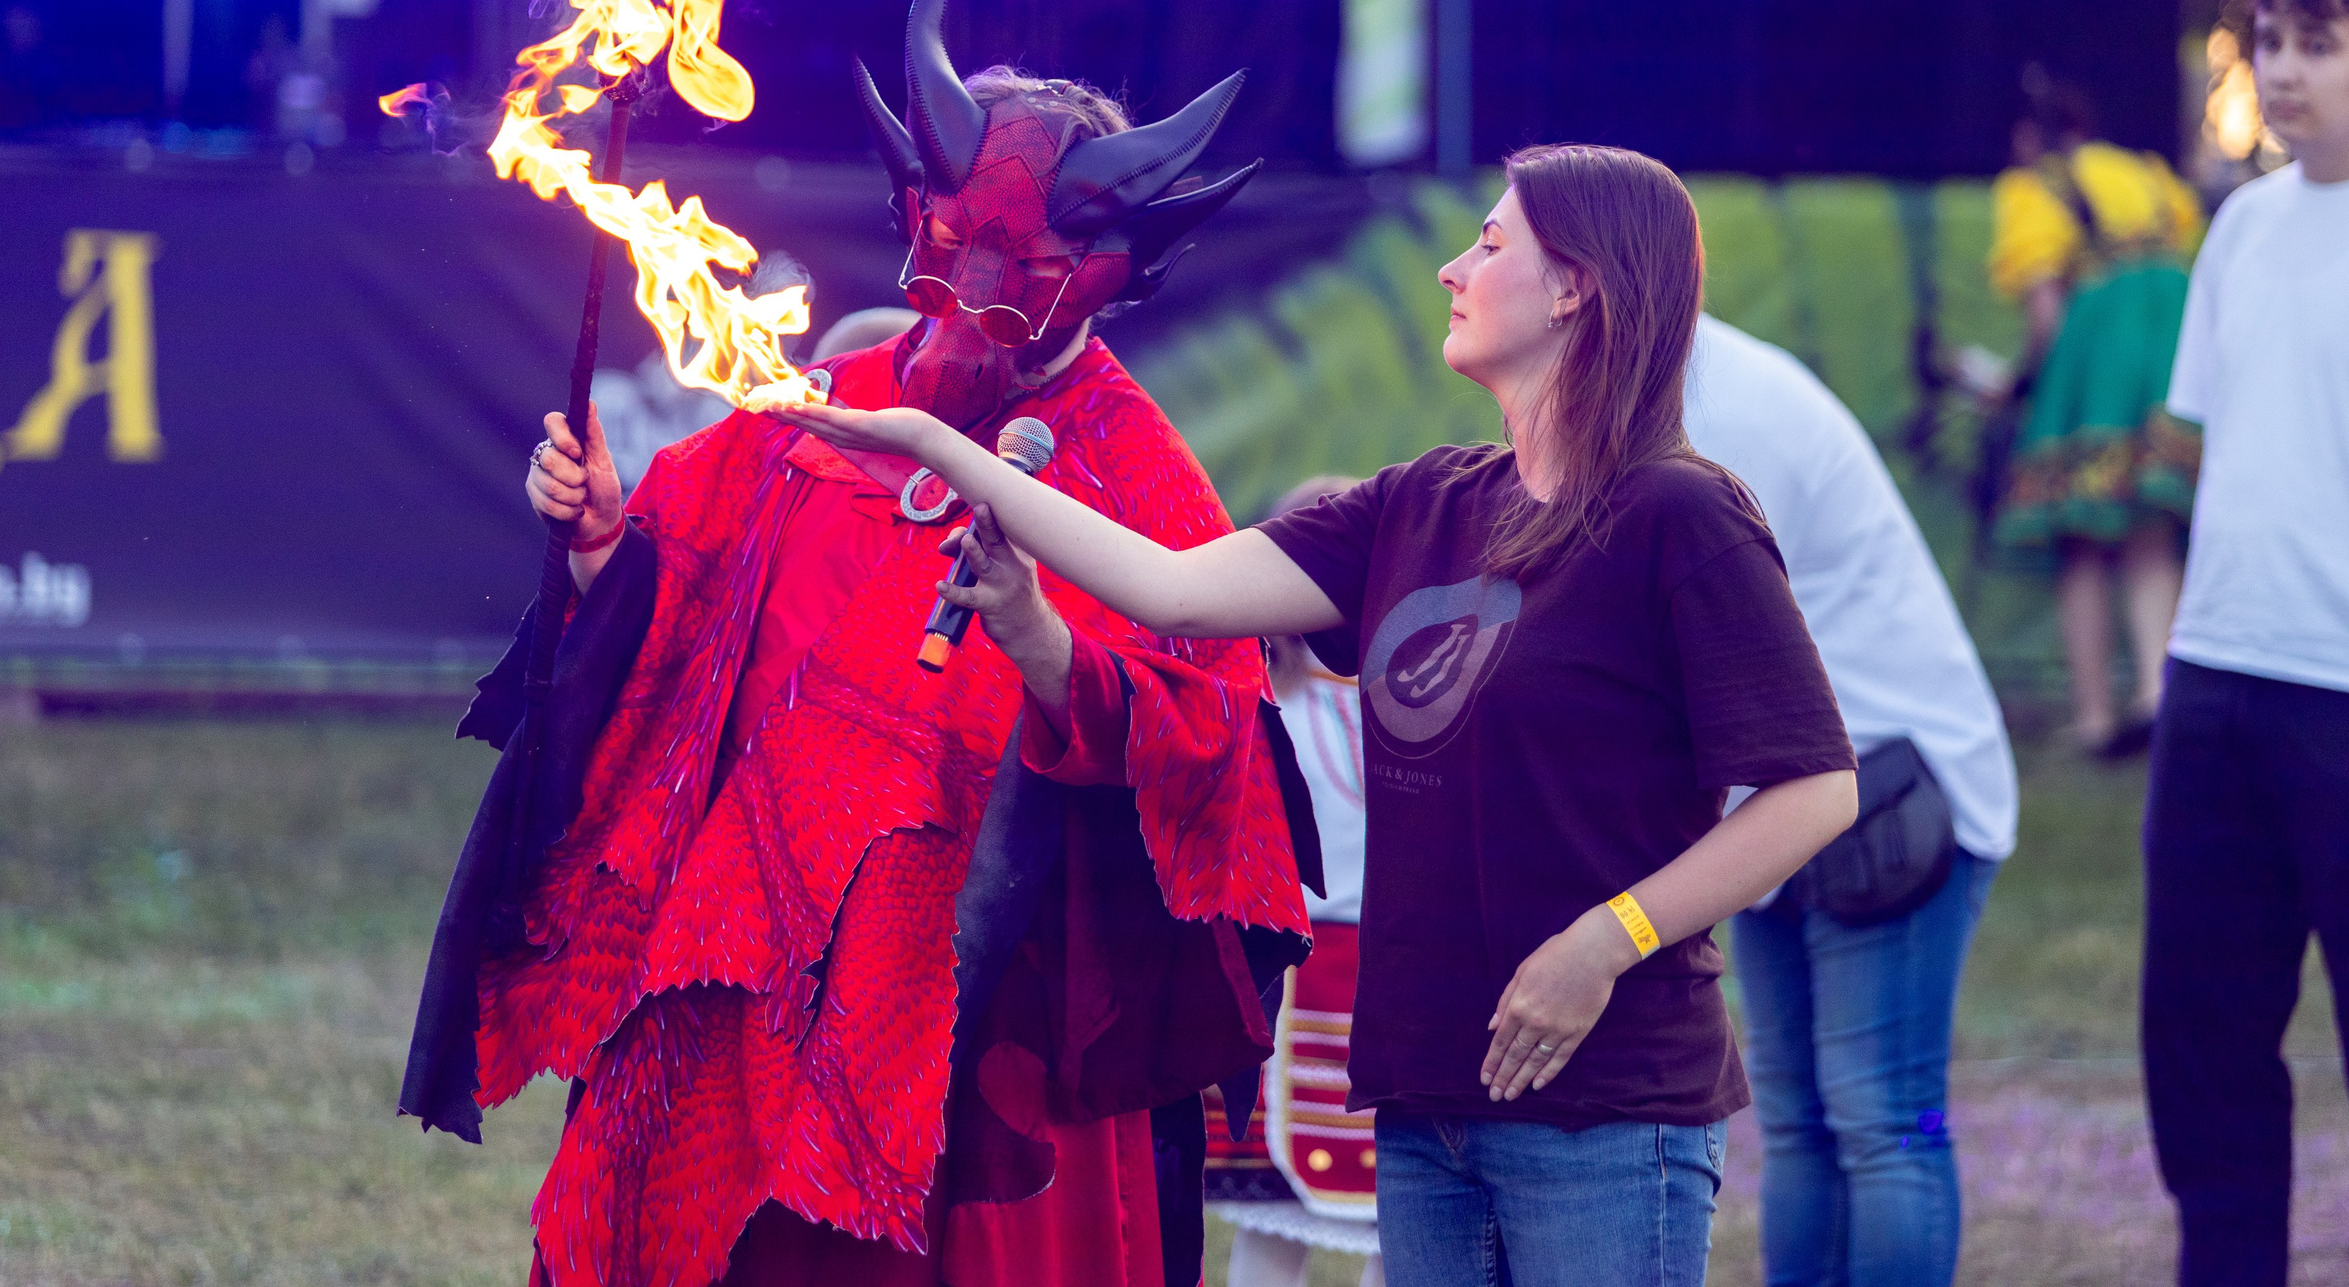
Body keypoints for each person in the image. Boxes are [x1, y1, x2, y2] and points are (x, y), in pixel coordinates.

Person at [779, 143, 1861, 1287]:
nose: (1452, 268)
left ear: (1573, 287)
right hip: (1426, 1097)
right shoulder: (1419, 504)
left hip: (1601, 1106)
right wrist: (944, 449)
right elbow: (1167, 588)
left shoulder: (1676, 516)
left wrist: (1609, 939)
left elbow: (1813, 789)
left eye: (1489, 244)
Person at [402, 0, 1314, 1287]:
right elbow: (681, 605)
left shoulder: (1137, 472)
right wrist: (603, 531)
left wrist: (1037, 642)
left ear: (1101, 273)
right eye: (950, 253)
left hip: (964, 998)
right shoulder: (833, 398)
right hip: (746, 952)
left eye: (1020, 270)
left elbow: (1205, 742)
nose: (973, 297)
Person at [1685, 314, 2019, 1287]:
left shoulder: (1716, 410)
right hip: (1781, 800)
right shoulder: (1655, 387)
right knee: (1796, 1125)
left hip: (1892, 794)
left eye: (1500, 244)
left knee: (1885, 1121)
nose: (1462, 268)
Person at [2142, 0, 2349, 1287]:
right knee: (2201, 1047)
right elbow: (2199, 448)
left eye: (2316, 42)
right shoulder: (2241, 227)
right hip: (2215, 685)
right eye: (2268, 41)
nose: (2281, 70)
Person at [1985, 67, 2203, 756]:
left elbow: (2046, 309)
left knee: (2080, 533)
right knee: (2150, 527)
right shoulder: (2148, 175)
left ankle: (2094, 715)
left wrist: (2022, 383)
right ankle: (2155, 690)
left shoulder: (2032, 186)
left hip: (2101, 348)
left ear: (2029, 138)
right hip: (2174, 336)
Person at [1206, 475, 1385, 1287]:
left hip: (1380, 983)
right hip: (1297, 979)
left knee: (1402, 1220)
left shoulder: (1403, 710)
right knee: (1300, 1227)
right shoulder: (1258, 708)